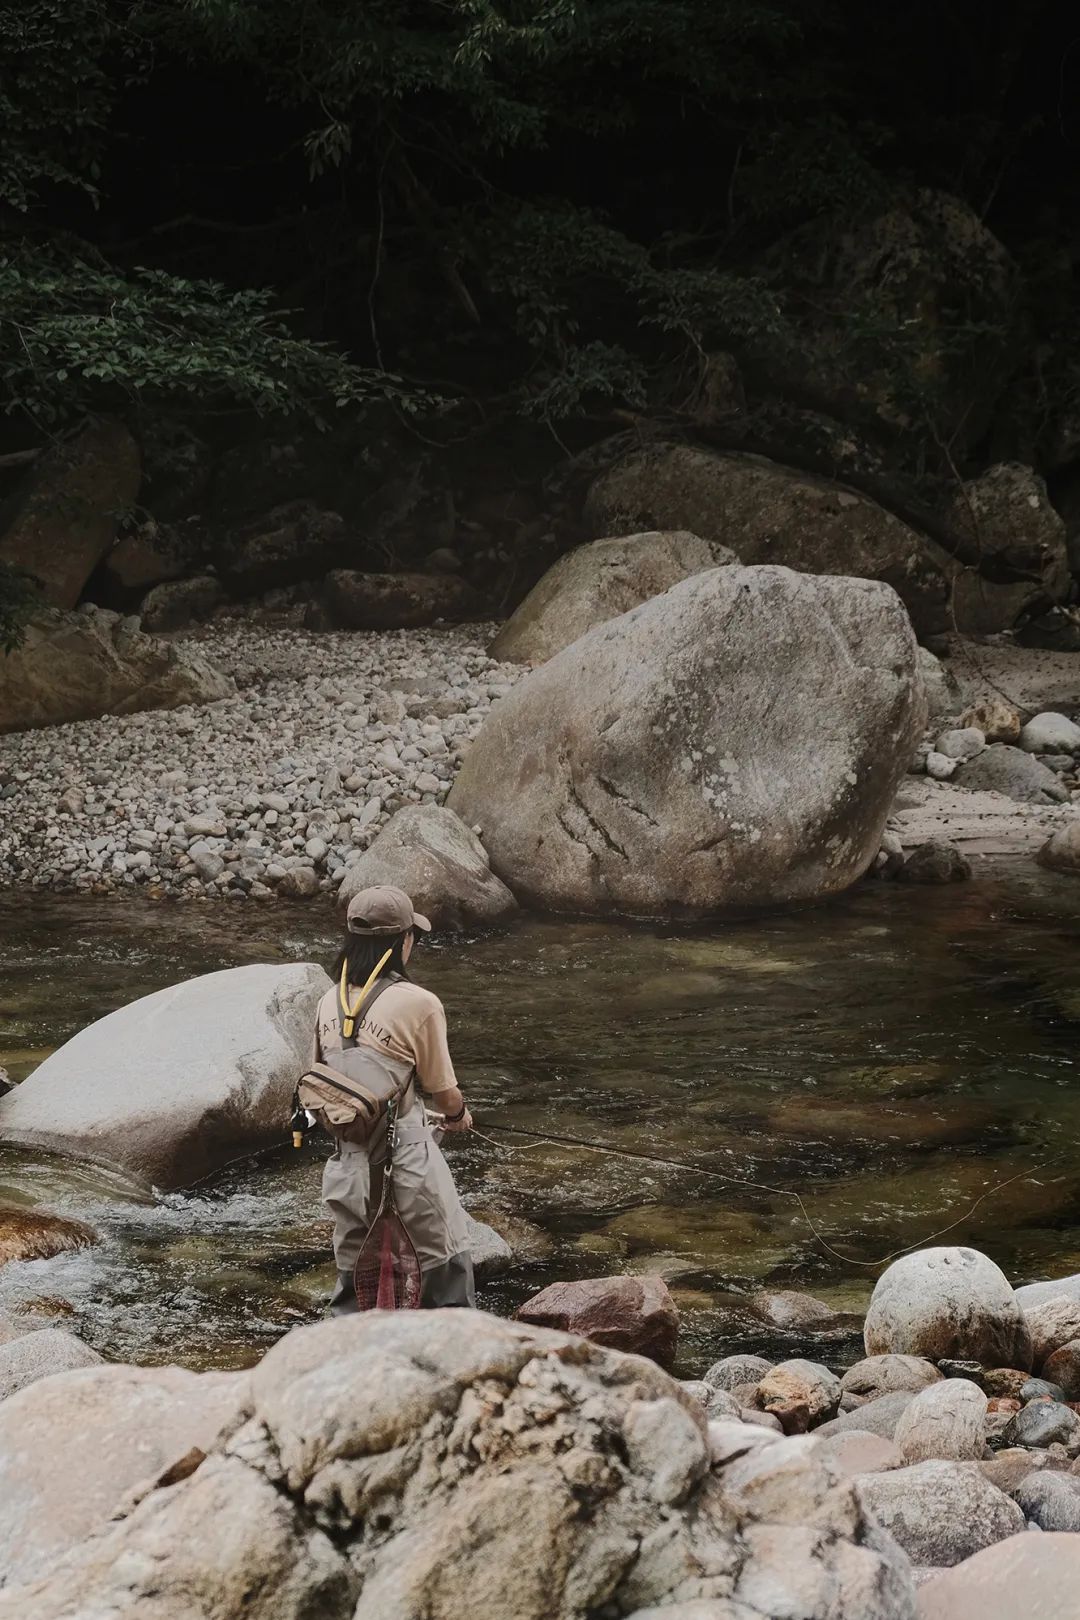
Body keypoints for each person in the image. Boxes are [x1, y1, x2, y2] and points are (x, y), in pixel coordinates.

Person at [311, 883, 476, 1314]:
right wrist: (458, 1115)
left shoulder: (327, 1002)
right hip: (409, 1169)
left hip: (348, 1171)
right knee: (447, 1278)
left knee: (353, 1291)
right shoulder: (419, 1003)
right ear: (402, 941)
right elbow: (444, 1091)